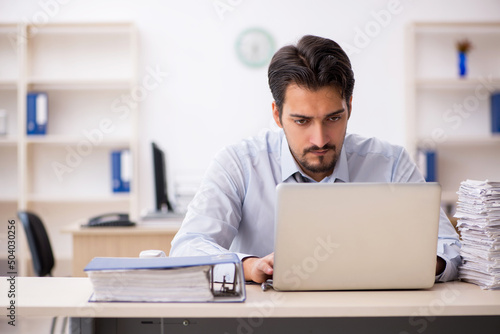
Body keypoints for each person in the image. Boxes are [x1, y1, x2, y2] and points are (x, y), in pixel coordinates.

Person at [169, 35, 461, 284]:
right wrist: (249, 266)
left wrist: (403, 265)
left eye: (333, 118)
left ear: (349, 107)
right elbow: (187, 248)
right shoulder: (239, 163)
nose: (320, 139)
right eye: (302, 121)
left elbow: (450, 250)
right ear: (276, 115)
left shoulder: (391, 162)